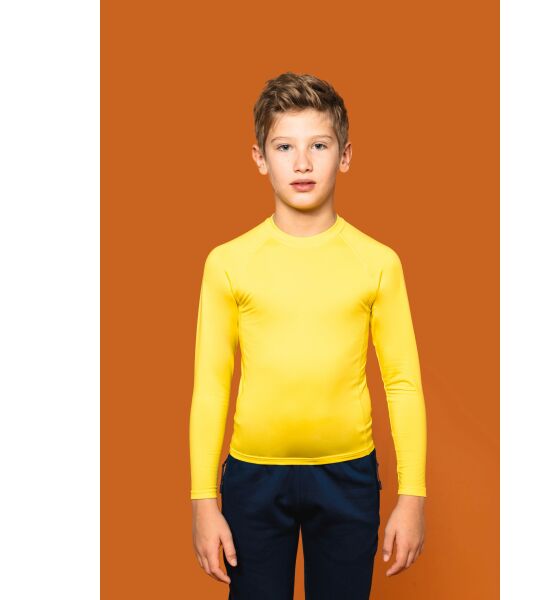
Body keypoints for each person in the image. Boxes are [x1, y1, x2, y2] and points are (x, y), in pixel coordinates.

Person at [190, 71, 427, 599]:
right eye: (284, 147)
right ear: (260, 158)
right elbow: (211, 386)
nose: (302, 163)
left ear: (345, 155)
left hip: (347, 478)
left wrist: (412, 495)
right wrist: (203, 500)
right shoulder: (228, 263)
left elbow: (402, 383)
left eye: (318, 145)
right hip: (254, 479)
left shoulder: (378, 263)